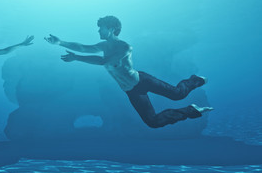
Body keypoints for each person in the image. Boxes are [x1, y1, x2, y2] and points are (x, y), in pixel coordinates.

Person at [45, 16, 213, 128]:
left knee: (178, 94)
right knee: (152, 122)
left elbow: (104, 61)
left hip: (142, 81)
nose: (98, 31)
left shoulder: (125, 47)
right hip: (131, 91)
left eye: (101, 28)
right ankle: (192, 110)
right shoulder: (103, 46)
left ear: (111, 29)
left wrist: (77, 58)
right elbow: (84, 47)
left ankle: (195, 80)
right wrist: (60, 42)